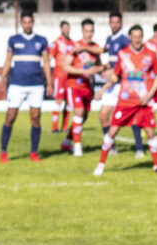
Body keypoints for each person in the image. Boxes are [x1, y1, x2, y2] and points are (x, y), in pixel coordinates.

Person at [92, 25, 157, 176]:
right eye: (134, 36)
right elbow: (115, 77)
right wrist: (103, 88)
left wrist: (149, 95)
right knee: (112, 132)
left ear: (142, 37)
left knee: (150, 133)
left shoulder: (151, 55)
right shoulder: (122, 54)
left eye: (139, 36)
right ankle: (101, 164)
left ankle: (156, 166)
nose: (137, 40)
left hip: (143, 101)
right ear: (129, 37)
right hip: (125, 101)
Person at [0, 10, 52, 163]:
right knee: (10, 117)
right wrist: (2, 78)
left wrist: (49, 82)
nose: (27, 25)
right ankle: (3, 152)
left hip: (36, 85)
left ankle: (33, 152)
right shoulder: (13, 40)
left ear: (33, 23)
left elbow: (46, 63)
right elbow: (8, 61)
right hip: (17, 84)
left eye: (30, 22)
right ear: (21, 23)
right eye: (25, 22)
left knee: (35, 118)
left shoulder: (41, 40)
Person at [60, 18, 104, 156]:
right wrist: (84, 71)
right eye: (86, 31)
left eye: (91, 31)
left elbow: (99, 65)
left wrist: (101, 69)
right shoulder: (74, 46)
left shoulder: (95, 48)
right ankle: (77, 147)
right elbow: (66, 66)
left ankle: (67, 141)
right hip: (74, 85)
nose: (89, 34)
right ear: (82, 31)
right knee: (78, 113)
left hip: (87, 87)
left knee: (83, 117)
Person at [97, 11, 131, 156]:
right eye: (113, 22)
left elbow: (127, 62)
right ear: (109, 23)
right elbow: (112, 61)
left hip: (121, 83)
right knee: (103, 116)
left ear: (121, 23)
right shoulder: (109, 39)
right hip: (113, 82)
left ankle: (141, 148)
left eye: (118, 22)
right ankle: (111, 147)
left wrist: (102, 88)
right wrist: (104, 67)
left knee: (133, 118)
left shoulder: (124, 40)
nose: (115, 24)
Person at [49, 20, 74, 133]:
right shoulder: (56, 43)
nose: (66, 30)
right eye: (64, 28)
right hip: (59, 75)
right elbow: (49, 58)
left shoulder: (72, 43)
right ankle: (54, 126)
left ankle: (64, 126)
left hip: (70, 76)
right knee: (58, 100)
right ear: (61, 29)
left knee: (68, 101)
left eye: (68, 28)